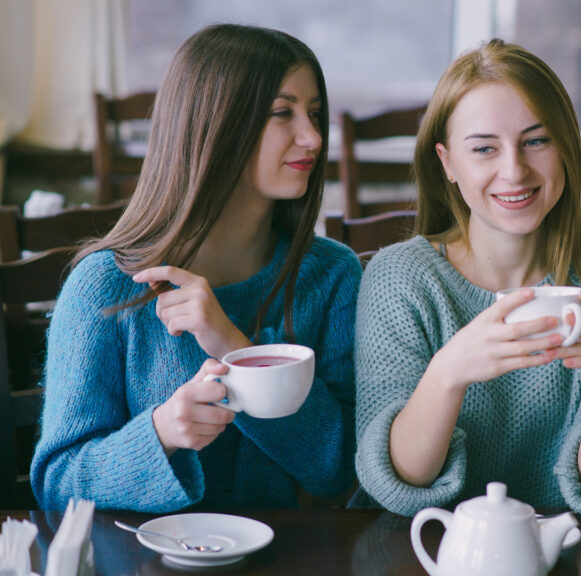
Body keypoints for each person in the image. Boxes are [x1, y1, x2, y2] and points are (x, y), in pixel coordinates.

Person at [30, 24, 361, 512]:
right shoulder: (103, 286)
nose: (312, 136)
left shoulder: (334, 275)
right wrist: (161, 433)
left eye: (314, 113)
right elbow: (57, 484)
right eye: (281, 113)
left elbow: (341, 470)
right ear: (215, 123)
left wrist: (236, 347)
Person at [353, 39, 581, 517]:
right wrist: (450, 372)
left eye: (536, 141)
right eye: (484, 149)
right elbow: (402, 480)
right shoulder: (400, 278)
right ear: (448, 163)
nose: (514, 170)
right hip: (425, 548)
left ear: (566, 150)